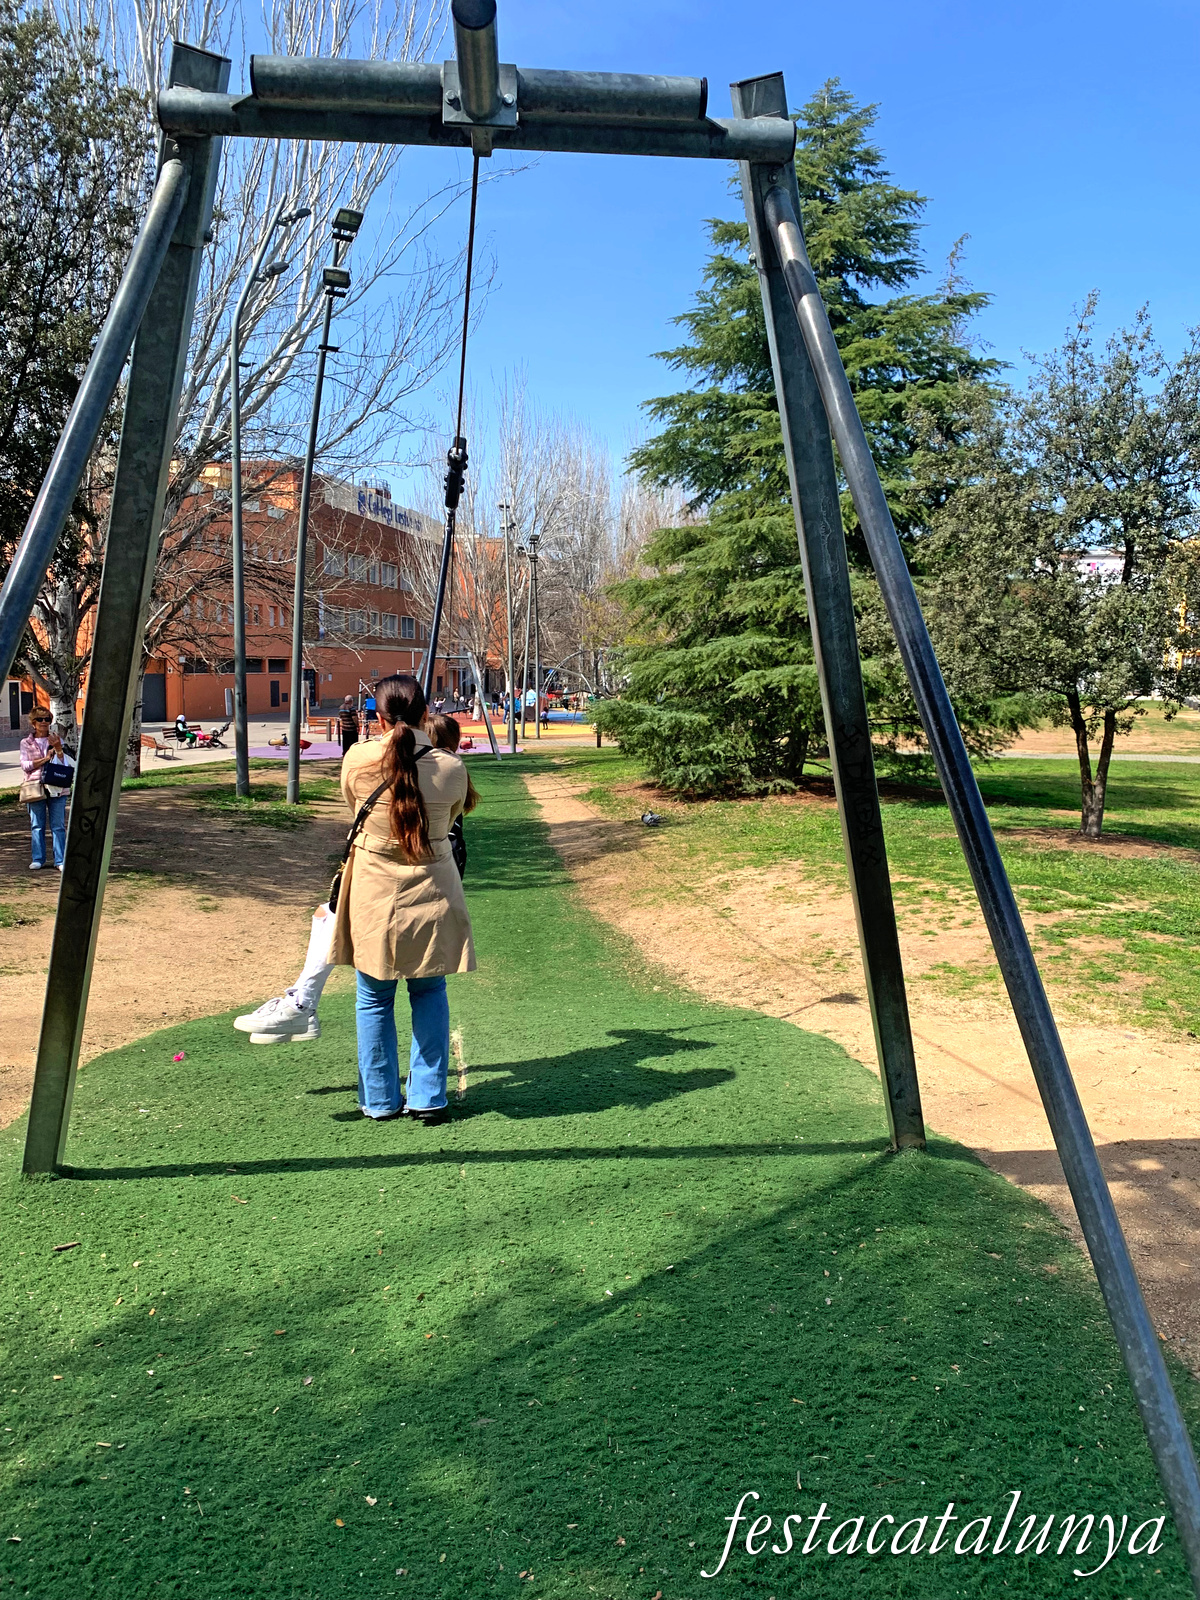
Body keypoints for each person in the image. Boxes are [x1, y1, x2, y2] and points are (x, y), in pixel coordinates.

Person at [235, 680, 475, 1127]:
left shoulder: (358, 759)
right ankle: (428, 1095)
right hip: (434, 883)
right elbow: (454, 814)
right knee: (429, 990)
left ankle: (381, 1100)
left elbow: (353, 806)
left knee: (373, 996)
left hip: (374, 885)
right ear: (427, 714)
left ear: (378, 719)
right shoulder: (451, 767)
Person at [19, 709, 70, 871]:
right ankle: (38, 859)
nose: (44, 722)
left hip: (57, 786)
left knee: (58, 825)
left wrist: (58, 748)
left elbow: (65, 765)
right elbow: (26, 766)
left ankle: (60, 860)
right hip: (35, 787)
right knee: (37, 825)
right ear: (33, 722)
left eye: (47, 719)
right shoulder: (26, 743)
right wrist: (45, 759)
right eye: (40, 719)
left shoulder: (56, 739)